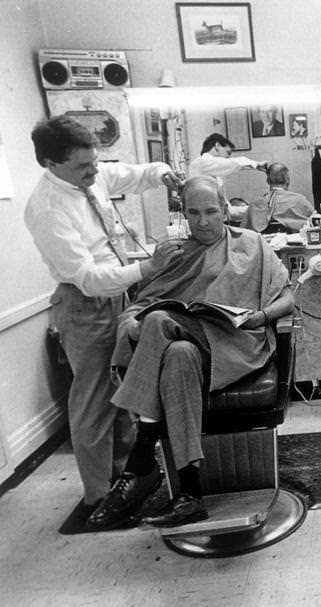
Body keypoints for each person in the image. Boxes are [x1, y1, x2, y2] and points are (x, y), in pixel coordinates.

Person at [86, 176, 294, 530]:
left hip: (236, 345)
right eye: (193, 212)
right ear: (183, 213)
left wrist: (262, 316)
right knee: (176, 349)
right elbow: (140, 307)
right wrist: (132, 324)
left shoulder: (253, 245)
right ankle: (191, 495)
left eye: (211, 211)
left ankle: (141, 455)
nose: (202, 221)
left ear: (225, 210)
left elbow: (288, 299)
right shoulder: (175, 255)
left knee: (159, 322)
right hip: (191, 346)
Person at [23, 115, 184, 512]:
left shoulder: (91, 177)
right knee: (95, 402)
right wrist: (148, 268)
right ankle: (99, 496)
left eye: (95, 161)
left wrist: (164, 174)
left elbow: (138, 173)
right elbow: (89, 279)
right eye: (83, 166)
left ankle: (129, 479)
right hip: (83, 304)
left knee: (122, 392)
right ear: (50, 164)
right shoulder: (48, 209)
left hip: (116, 298)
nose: (94, 171)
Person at [242, 162, 315, 233]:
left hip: (262, 243)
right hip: (294, 243)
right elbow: (315, 221)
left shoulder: (255, 204)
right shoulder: (299, 200)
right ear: (287, 180)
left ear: (268, 181)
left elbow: (244, 232)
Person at [187, 133, 267, 188]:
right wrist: (256, 164)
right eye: (227, 152)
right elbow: (232, 163)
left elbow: (233, 165)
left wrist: (254, 167)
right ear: (217, 146)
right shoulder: (202, 162)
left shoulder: (212, 168)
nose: (227, 157)